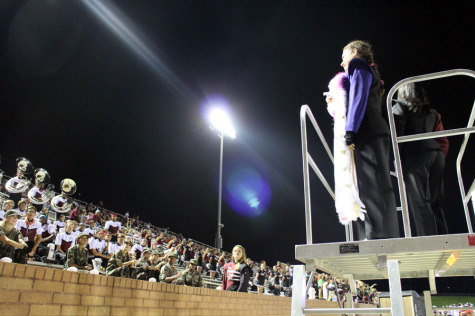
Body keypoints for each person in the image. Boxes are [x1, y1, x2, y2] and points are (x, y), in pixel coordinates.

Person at [339, 40, 399, 240]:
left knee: (371, 184)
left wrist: (350, 130)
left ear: (355, 53)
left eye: (344, 57)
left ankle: (376, 234)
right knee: (381, 184)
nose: (342, 63)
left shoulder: (358, 65)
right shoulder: (373, 73)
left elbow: (357, 98)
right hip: (376, 128)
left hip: (367, 128)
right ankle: (387, 233)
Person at [393, 83, 449, 236]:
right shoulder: (433, 113)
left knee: (418, 201)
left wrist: (395, 162)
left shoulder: (400, 107)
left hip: (414, 155)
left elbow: (397, 135)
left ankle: (427, 242)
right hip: (436, 154)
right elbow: (444, 141)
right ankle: (443, 239)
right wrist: (437, 157)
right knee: (435, 201)